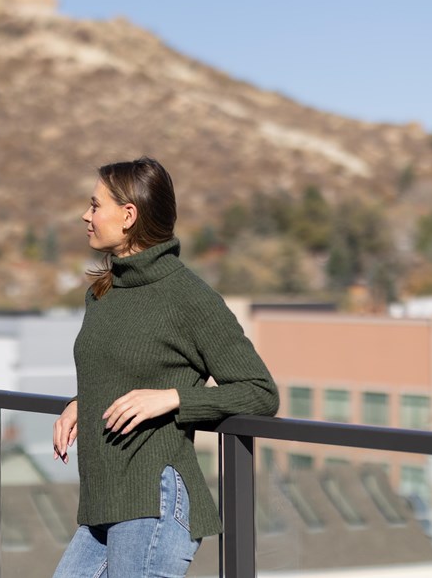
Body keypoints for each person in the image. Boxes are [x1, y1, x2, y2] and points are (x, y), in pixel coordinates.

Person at [51, 157, 278, 578]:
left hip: (153, 503)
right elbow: (126, 366)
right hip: (104, 504)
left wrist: (174, 399)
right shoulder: (103, 293)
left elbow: (260, 391)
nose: (85, 215)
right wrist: (83, 401)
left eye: (95, 205)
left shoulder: (188, 297)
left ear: (128, 216)